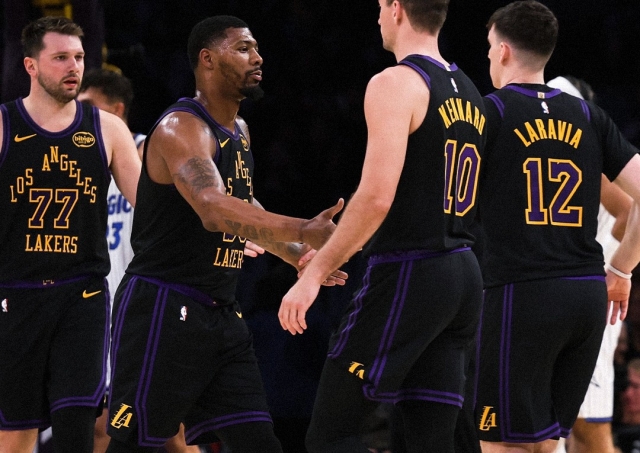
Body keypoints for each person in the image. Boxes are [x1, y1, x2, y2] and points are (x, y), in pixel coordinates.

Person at [104, 15, 346, 453]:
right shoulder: (181, 127)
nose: (258, 57)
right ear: (208, 59)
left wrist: (294, 252)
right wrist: (304, 228)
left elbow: (243, 204)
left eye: (256, 48)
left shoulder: (241, 131)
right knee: (133, 445)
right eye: (243, 48)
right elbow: (213, 208)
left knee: (259, 442)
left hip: (221, 313)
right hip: (163, 307)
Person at [279, 0, 487, 451]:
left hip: (412, 270)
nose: (376, 17)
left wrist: (313, 275)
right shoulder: (471, 90)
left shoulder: (395, 82)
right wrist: (338, 247)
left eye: (379, 6)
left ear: (396, 8)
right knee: (430, 440)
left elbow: (376, 198)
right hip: (462, 273)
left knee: (330, 435)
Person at [474, 2, 640, 452]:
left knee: (500, 443)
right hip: (585, 298)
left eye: (489, 47)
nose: (488, 56)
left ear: (503, 50)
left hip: (522, 293)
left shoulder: (490, 112)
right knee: (549, 442)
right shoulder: (589, 116)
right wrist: (622, 269)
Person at [0, 15, 142, 453]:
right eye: (60, 57)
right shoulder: (4, 125)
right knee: (15, 435)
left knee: (78, 427)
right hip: (16, 295)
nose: (74, 67)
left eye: (78, 57)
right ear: (30, 65)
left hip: (82, 296)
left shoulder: (107, 128)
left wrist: (223, 231)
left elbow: (155, 209)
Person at [77, 69, 205, 453]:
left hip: (151, 305)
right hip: (102, 310)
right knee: (101, 426)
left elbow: (210, 193)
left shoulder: (151, 151)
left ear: (117, 110)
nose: (81, 116)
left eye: (90, 107)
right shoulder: (83, 165)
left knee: (171, 430)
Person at [546, 76, 632, 453]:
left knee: (589, 428)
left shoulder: (592, 156)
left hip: (592, 300)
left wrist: (617, 266)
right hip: (566, 299)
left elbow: (629, 213)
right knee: (554, 428)